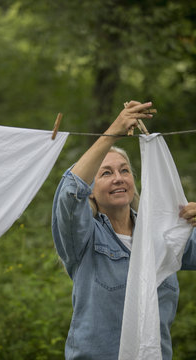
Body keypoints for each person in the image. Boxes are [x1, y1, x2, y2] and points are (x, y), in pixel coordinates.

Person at [51, 101, 196, 360]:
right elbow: (69, 193)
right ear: (91, 191)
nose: (119, 177)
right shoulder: (83, 238)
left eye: (124, 170)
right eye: (105, 173)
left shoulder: (159, 234)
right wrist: (114, 130)